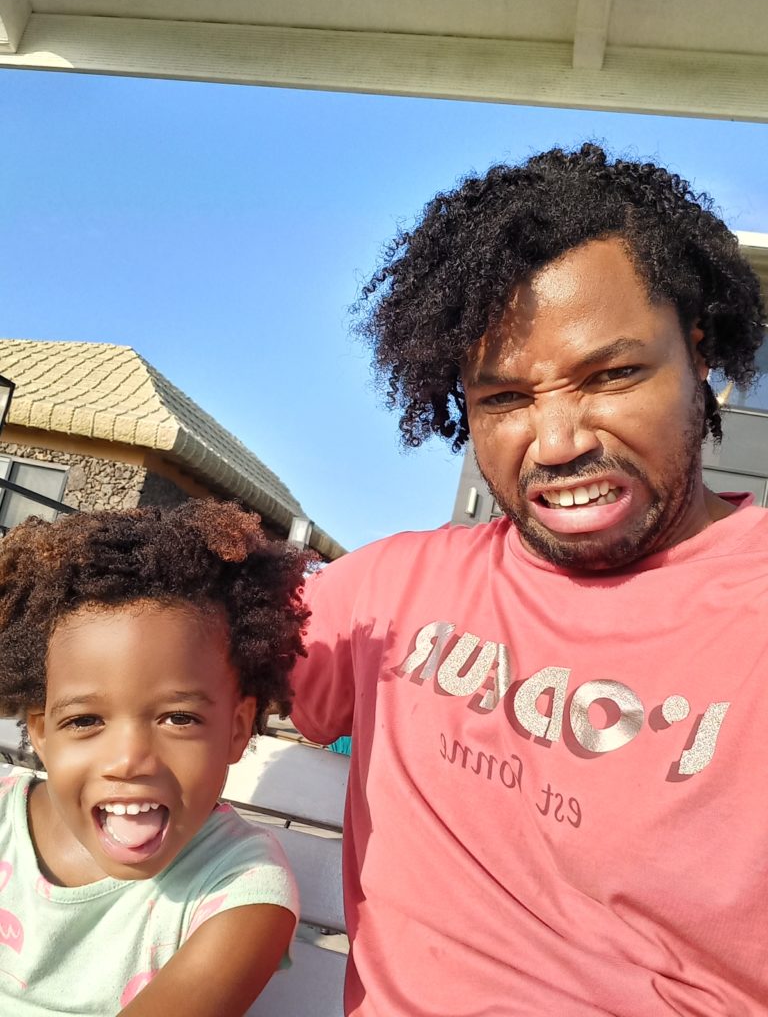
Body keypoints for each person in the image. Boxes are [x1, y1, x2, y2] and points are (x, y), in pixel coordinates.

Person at [289, 144, 768, 1016]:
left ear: (700, 358)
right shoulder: (391, 590)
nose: (555, 444)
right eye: (505, 399)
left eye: (613, 374)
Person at [0, 499, 307, 1016]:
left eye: (178, 718)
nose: (129, 761)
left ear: (236, 730)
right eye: (85, 721)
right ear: (42, 732)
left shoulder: (242, 891)